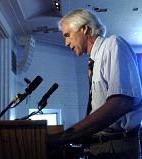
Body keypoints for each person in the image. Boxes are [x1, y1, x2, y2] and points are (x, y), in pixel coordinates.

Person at [48, 8, 142, 159]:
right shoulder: (93, 63)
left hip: (116, 149)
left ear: (85, 28)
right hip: (100, 147)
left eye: (67, 35)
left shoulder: (113, 44)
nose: (66, 43)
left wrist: (64, 137)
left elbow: (120, 103)